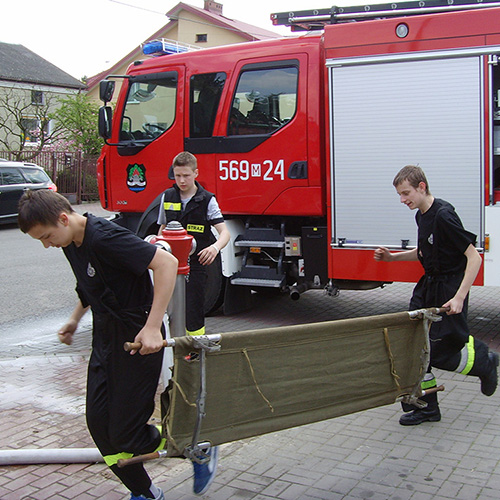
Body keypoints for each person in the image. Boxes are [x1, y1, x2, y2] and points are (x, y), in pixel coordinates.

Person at [16, 190, 214, 499]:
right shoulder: (70, 241)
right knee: (99, 426)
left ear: (64, 219)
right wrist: (74, 319)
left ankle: (197, 444)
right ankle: (146, 493)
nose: (46, 245)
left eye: (46, 236)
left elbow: (167, 263)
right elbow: (90, 285)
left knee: (125, 432)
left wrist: (152, 328)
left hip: (137, 337)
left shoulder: (105, 237)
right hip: (105, 337)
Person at [374, 165, 499, 426]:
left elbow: (473, 257)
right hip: (427, 287)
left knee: (440, 352)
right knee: (413, 344)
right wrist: (392, 259)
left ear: (422, 187)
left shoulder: (443, 215)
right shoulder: (422, 214)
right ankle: (428, 408)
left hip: (449, 290)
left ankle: (484, 364)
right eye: (399, 194)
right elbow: (424, 251)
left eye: (406, 193)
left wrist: (459, 297)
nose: (402, 200)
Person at [157, 151, 230, 337]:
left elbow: (225, 233)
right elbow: (162, 230)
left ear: (196, 173)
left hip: (195, 267)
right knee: (167, 309)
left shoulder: (207, 200)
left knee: (194, 310)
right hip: (169, 265)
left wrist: (214, 248)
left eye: (186, 176)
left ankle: (195, 350)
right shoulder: (167, 197)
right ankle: (171, 350)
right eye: (177, 175)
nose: (181, 180)